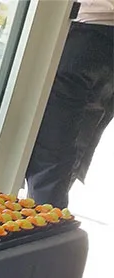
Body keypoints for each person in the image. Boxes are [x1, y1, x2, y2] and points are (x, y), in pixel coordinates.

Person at [25, 0, 114, 208]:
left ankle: (46, 220)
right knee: (75, 142)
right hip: (95, 35)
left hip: (84, 31)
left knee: (51, 152)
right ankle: (49, 217)